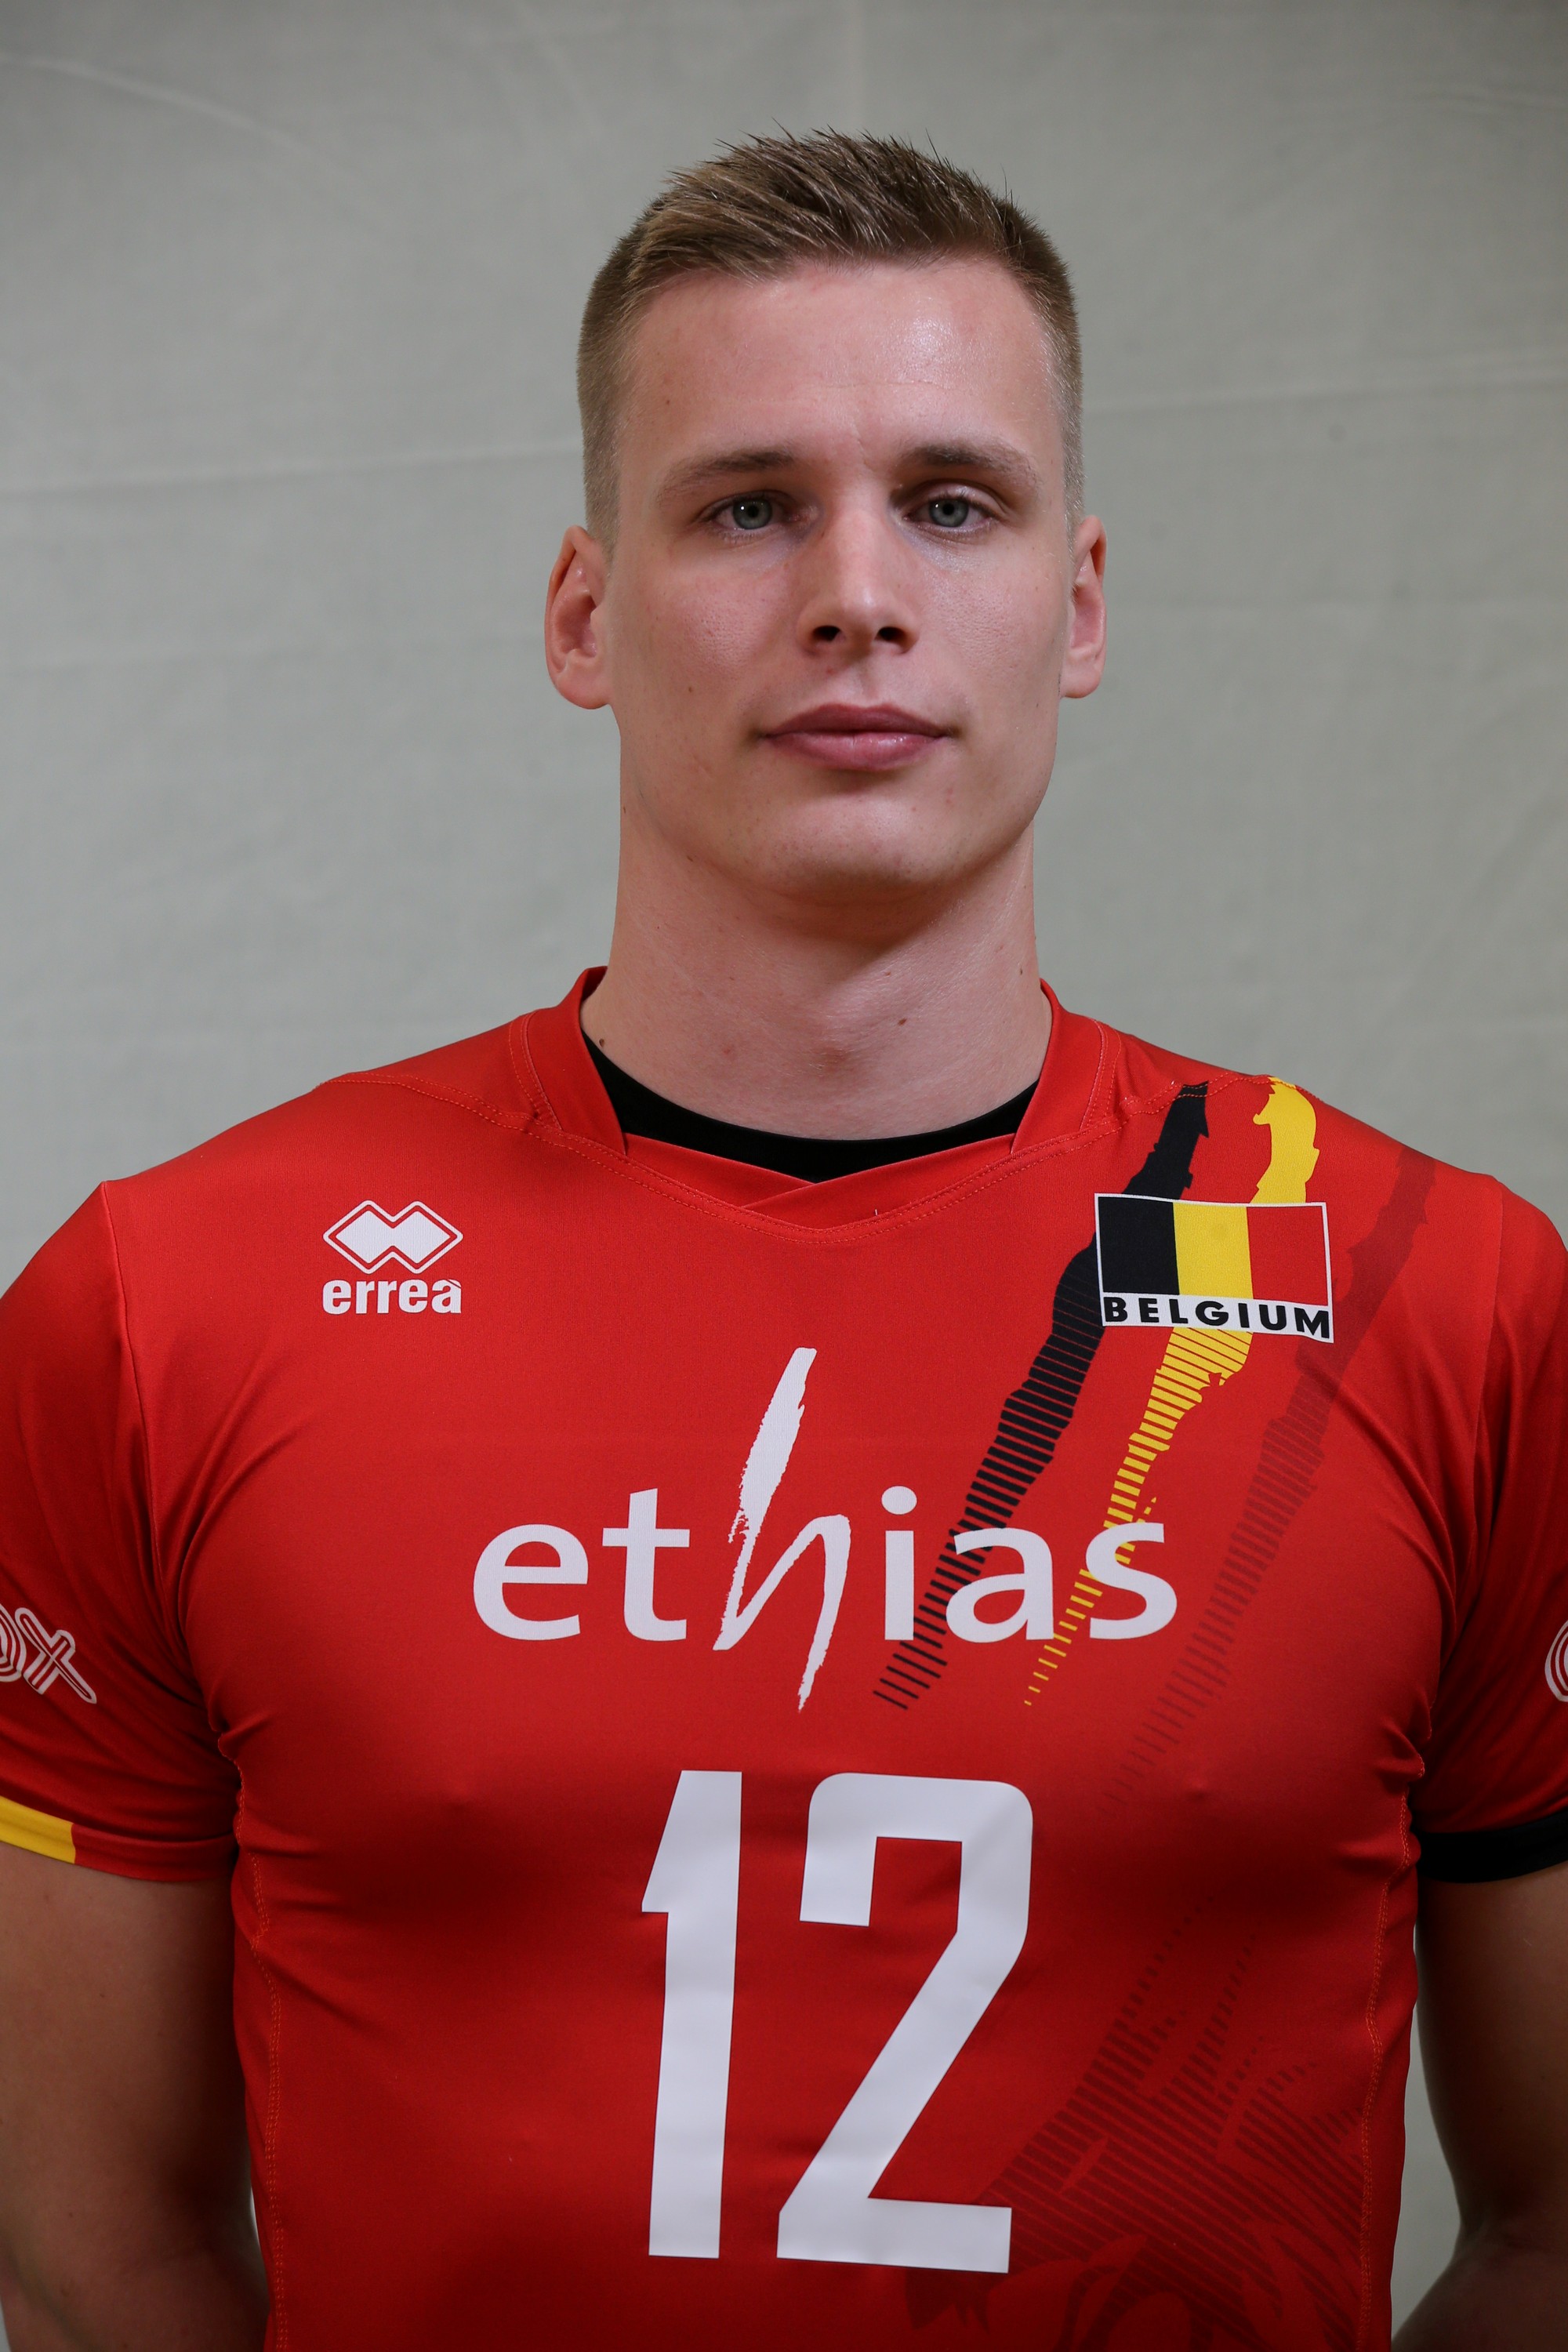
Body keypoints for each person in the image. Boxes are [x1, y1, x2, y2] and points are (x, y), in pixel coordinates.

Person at [0, 130, 1563, 2352]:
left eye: (953, 501)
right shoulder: (168, 1306)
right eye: (747, 505)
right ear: (583, 613)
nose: (856, 592)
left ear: (1081, 604)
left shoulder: (1451, 1301)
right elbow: (98, 2259)